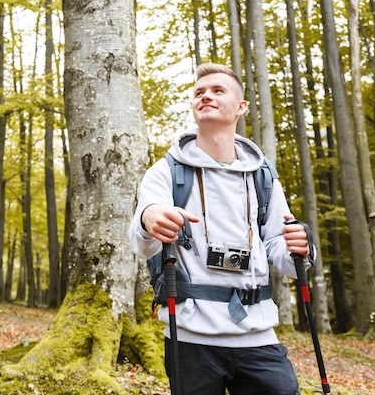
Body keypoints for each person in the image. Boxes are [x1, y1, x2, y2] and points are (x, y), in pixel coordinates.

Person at [128, 63, 313, 395]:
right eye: (199, 92)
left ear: (241, 107)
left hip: (258, 335)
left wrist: (300, 248)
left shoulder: (263, 175)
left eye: (217, 90)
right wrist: (149, 218)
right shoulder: (167, 171)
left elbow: (281, 253)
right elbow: (143, 245)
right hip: (190, 337)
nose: (206, 96)